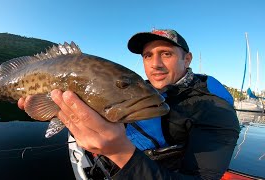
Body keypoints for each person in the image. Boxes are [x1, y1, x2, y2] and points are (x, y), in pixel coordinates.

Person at [18, 29, 240, 179]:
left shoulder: (215, 110)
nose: (155, 64)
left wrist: (120, 152)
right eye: (147, 56)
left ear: (187, 59)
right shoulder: (135, 89)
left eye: (166, 54)